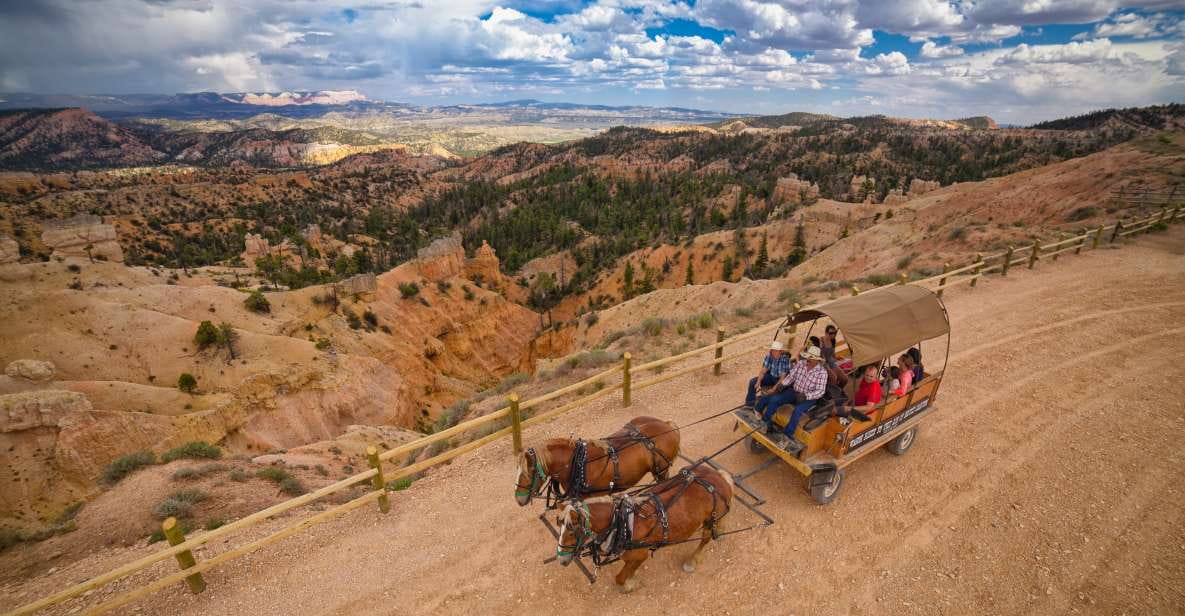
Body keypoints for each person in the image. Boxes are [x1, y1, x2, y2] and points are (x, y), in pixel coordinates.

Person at [758, 345, 828, 441]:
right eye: (807, 357)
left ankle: (787, 434)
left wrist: (805, 396)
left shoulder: (822, 373)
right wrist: (782, 384)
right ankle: (765, 423)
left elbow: (820, 391)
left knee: (797, 411)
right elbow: (791, 376)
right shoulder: (801, 363)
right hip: (794, 391)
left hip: (809, 397)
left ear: (817, 360)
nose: (807, 359)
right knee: (775, 399)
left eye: (811, 358)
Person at [745, 340, 791, 407]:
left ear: (780, 351)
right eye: (772, 350)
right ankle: (750, 404)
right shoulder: (769, 356)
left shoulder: (785, 360)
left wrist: (774, 388)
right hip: (771, 376)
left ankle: (761, 408)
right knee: (753, 382)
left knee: (774, 393)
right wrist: (758, 381)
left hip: (780, 381)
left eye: (775, 350)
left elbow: (782, 378)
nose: (772, 352)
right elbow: (763, 370)